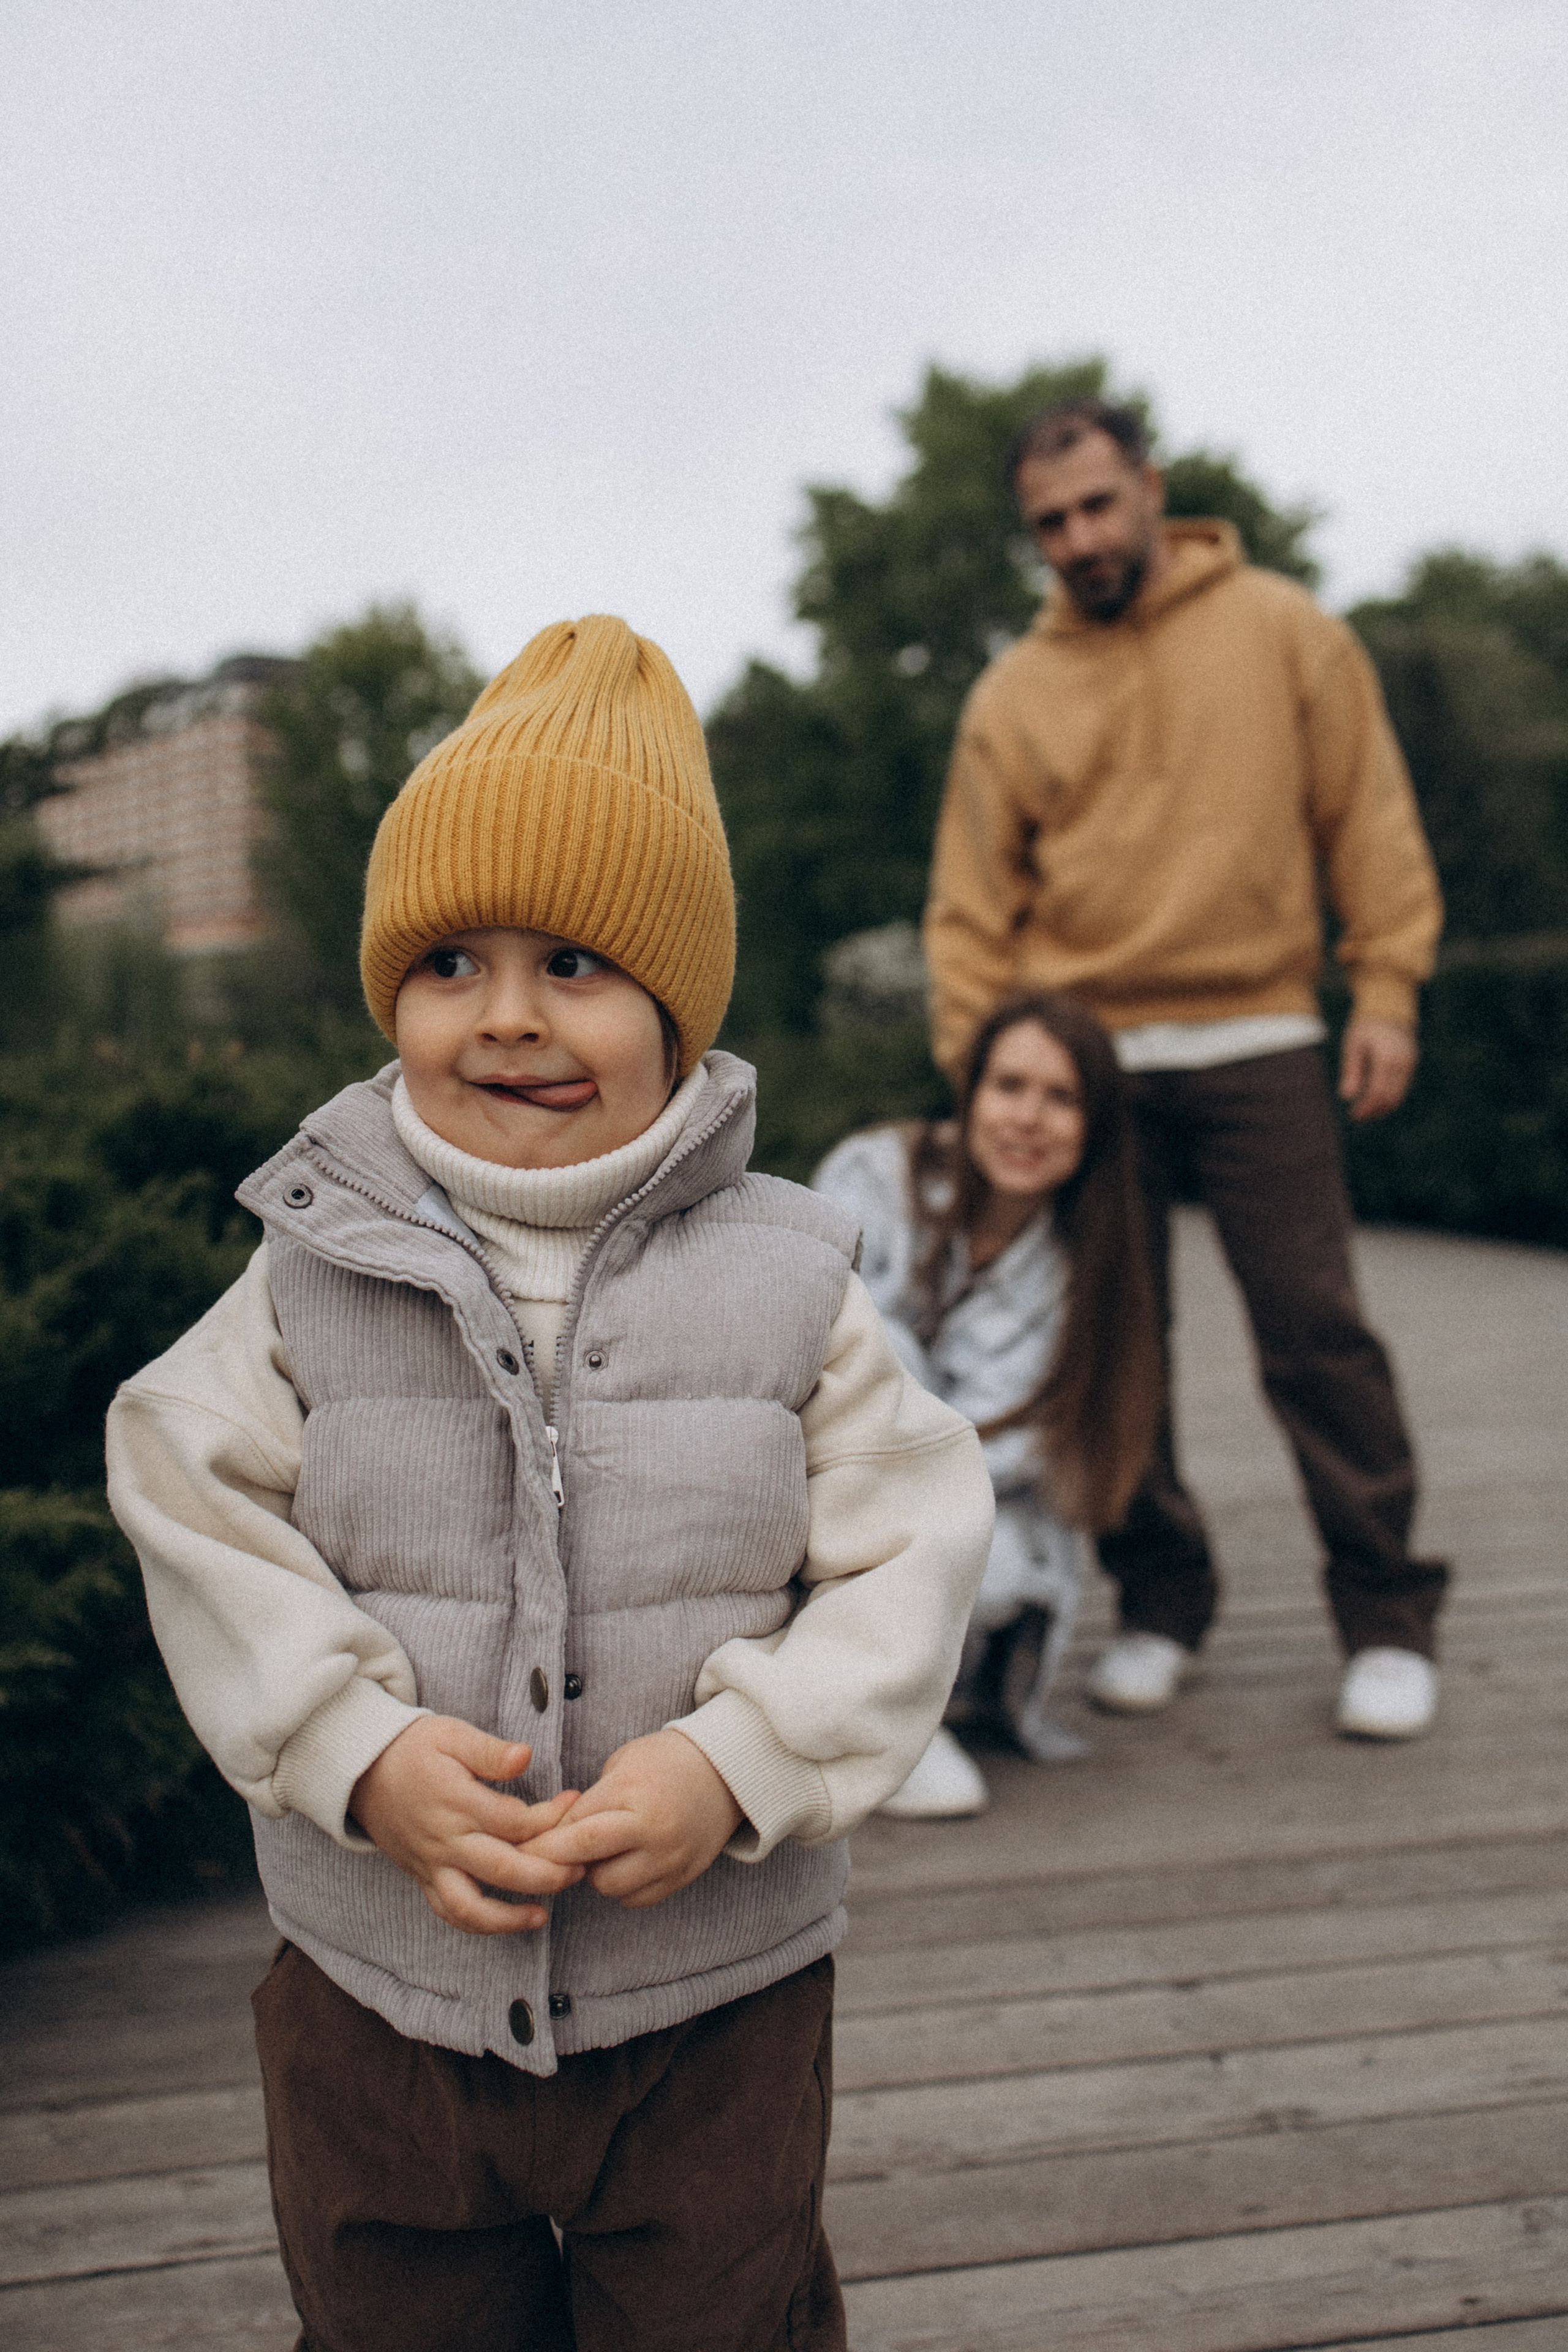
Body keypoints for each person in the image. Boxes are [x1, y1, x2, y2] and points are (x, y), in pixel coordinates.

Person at [106, 616, 993, 2352]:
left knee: (723, 2317)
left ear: (674, 1002)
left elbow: (915, 1543)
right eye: (450, 962)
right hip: (380, 1993)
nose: (507, 1016)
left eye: (575, 962)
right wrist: (350, 1746)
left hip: (714, 2004)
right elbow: (188, 1490)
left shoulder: (793, 1279)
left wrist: (742, 1758)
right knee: (396, 2317)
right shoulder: (310, 1264)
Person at [924, 397, 1448, 1743]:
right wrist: (984, 1078)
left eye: (1098, 505)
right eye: (1050, 523)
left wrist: (1385, 986)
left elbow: (1368, 817)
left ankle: (1386, 1617)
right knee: (1111, 1345)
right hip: (1085, 1058)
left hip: (1256, 1031)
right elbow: (970, 911)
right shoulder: (1012, 694)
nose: (1079, 539)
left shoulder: (1284, 629)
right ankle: (1160, 1601)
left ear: (1151, 487)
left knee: (1314, 1328)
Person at [815, 990, 1161, 1817]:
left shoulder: (1082, 1277)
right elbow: (808, 1327)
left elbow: (1010, 1446)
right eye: (1009, 1087)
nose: (1029, 1119)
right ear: (970, 1096)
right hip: (812, 1447)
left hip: (948, 1490)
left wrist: (913, 1478)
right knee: (868, 1342)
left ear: (1095, 1126)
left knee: (998, 1560)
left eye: (1062, 1098)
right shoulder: (873, 1173)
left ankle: (891, 1716)